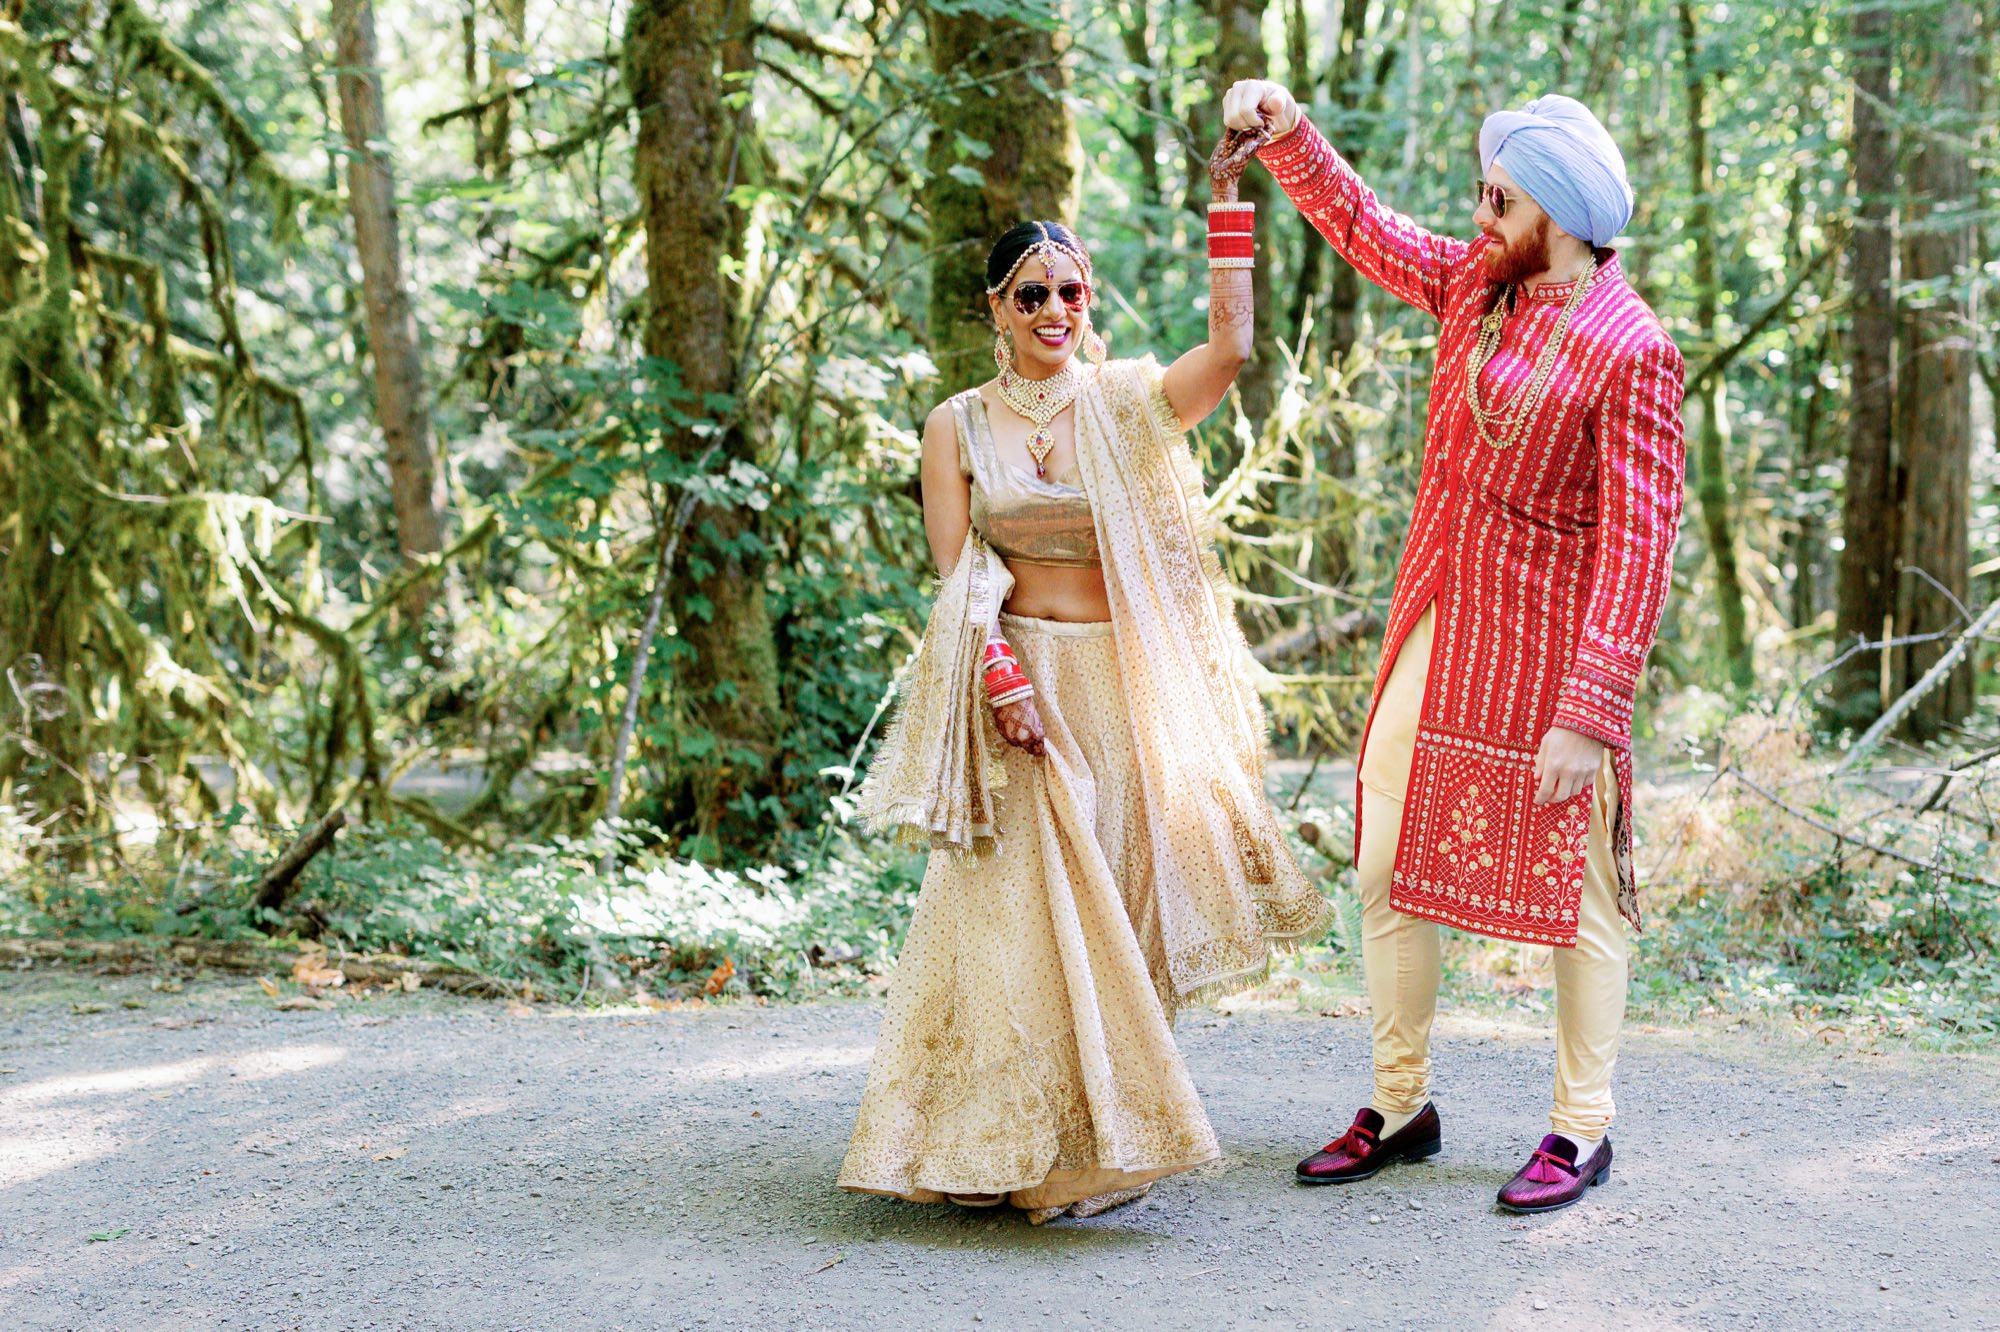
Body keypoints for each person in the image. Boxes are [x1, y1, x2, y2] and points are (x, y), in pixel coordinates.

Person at [836, 133, 1330, 1224]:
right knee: (1017, 915)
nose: (1052, 308)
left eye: (1068, 290)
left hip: (1122, 681)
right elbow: (957, 573)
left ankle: (1096, 1140)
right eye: (1029, 294)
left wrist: (1225, 202)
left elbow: (1232, 351)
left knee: (1119, 900)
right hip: (1022, 689)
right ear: (995, 309)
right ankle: (997, 1142)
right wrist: (1003, 682)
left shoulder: (1122, 402)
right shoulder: (954, 425)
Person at [1222, 80, 1686, 1213]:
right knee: (1382, 865)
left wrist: (1591, 709)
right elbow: (1373, 234)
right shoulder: (1477, 285)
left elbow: (1640, 546)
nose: (1479, 212)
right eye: (1482, 192)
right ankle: (1397, 1103)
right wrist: (1290, 138)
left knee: (1577, 899)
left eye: (1500, 198)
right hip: (1440, 615)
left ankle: (1579, 1129)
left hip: (1548, 651)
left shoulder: (1635, 350)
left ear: (1564, 218)